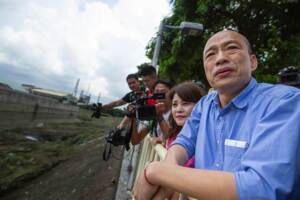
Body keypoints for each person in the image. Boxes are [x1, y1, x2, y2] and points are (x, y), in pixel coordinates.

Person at [133, 30, 300, 199]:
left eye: (232, 48)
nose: (220, 58)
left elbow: (259, 188)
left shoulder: (283, 102)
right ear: (206, 69)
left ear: (253, 61)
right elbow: (184, 141)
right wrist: (169, 171)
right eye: (210, 55)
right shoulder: (205, 104)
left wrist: (155, 172)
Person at [130, 80, 173, 145]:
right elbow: (135, 141)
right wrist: (133, 117)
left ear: (172, 94)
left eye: (163, 92)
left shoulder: (177, 113)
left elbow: (171, 137)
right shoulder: (152, 114)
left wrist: (159, 116)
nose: (159, 95)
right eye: (156, 92)